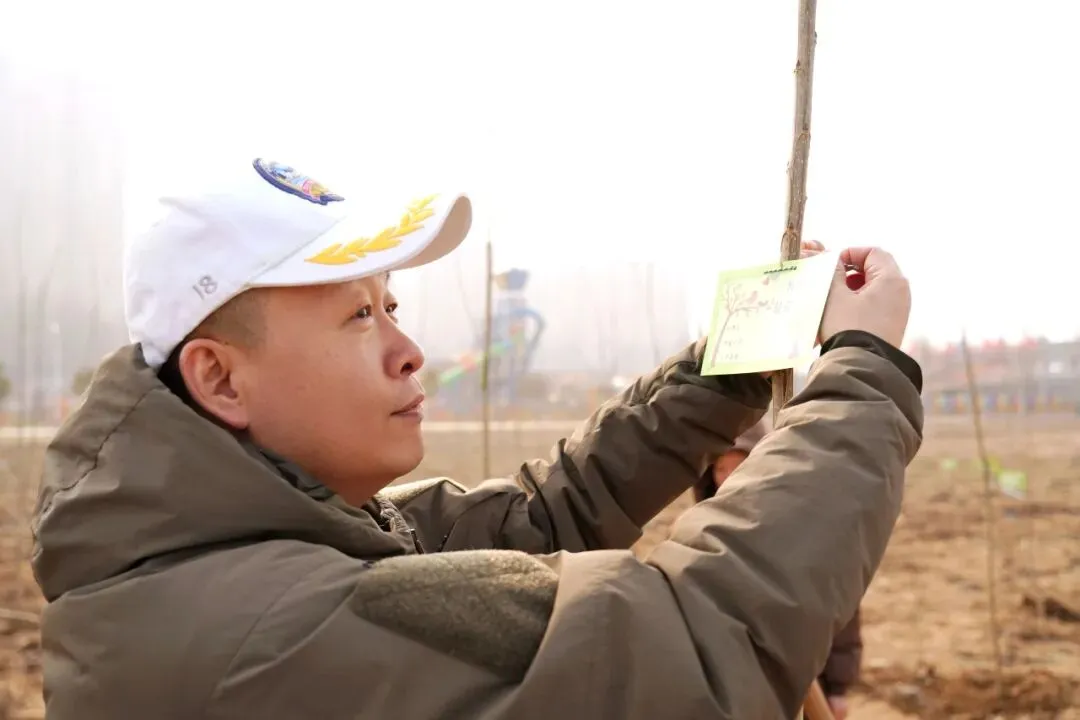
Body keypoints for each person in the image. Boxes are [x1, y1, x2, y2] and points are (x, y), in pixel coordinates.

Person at [31, 158, 922, 719]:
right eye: (357, 317)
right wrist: (864, 368)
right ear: (221, 380)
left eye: (391, 306)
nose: (408, 349)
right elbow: (691, 647)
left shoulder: (257, 546)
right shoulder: (272, 628)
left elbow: (542, 518)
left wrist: (737, 356)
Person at [693, 416, 864, 720]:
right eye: (720, 469)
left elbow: (838, 608)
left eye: (739, 466)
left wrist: (837, 687)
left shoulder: (801, 523)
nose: (728, 479)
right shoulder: (699, 534)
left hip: (805, 679)